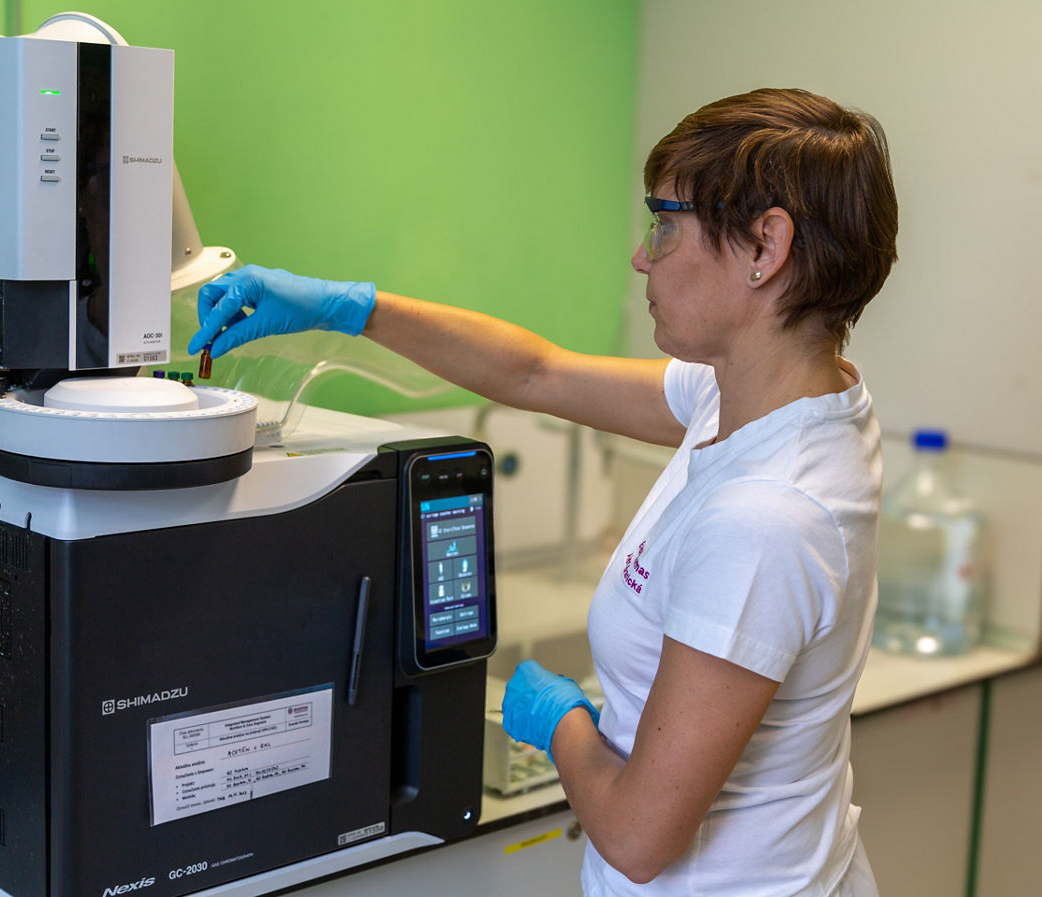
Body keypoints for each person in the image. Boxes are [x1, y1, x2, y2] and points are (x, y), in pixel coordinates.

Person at [188, 87, 898, 897]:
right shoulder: (773, 397)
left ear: (765, 246)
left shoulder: (768, 514)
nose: (643, 255)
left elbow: (638, 835)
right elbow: (537, 372)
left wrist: (558, 720)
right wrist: (355, 310)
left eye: (664, 224)